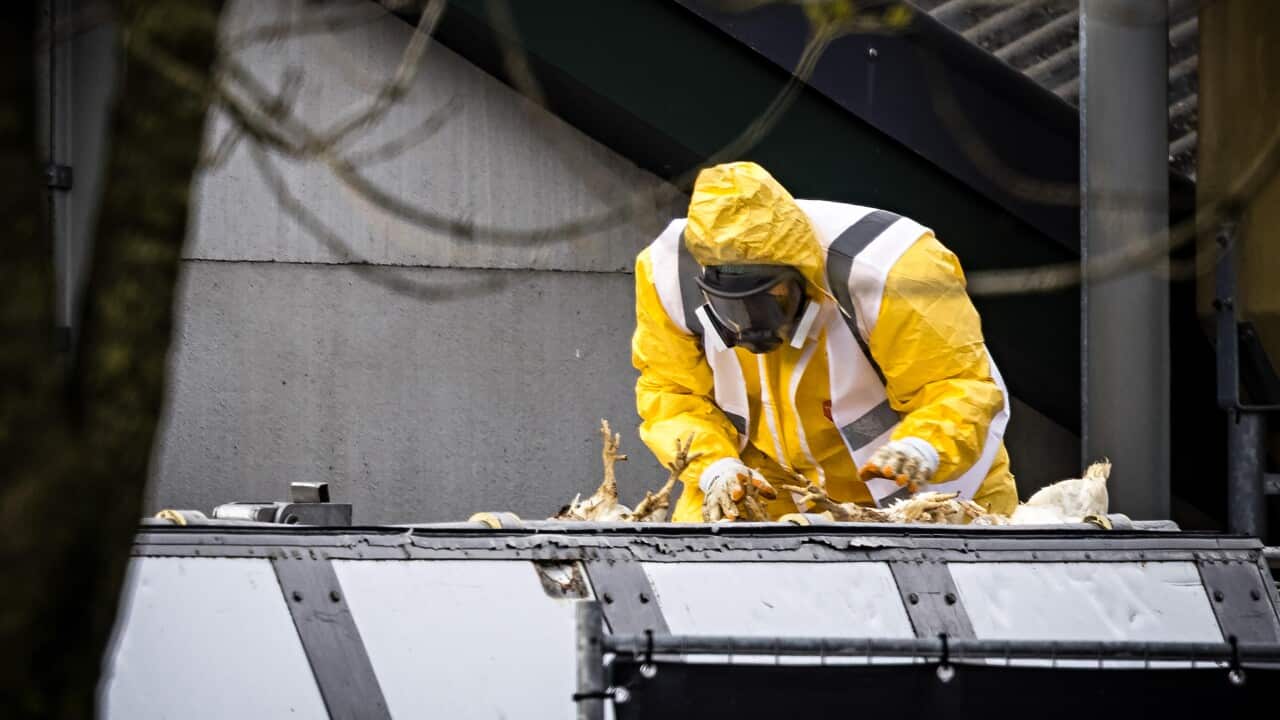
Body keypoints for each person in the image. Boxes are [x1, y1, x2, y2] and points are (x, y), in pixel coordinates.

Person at [631, 161, 1017, 522]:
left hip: (917, 480)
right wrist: (714, 468)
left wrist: (923, 447)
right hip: (766, 480)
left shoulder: (893, 271)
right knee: (707, 564)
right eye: (734, 307)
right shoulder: (668, 275)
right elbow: (670, 392)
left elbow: (954, 384)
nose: (753, 325)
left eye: (772, 300)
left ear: (803, 278)